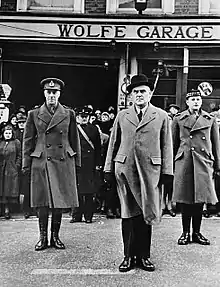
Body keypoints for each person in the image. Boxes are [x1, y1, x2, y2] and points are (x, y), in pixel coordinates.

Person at [104, 74, 173, 272]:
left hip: (150, 172)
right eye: (136, 92)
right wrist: (109, 168)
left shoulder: (161, 116)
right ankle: (128, 256)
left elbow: (166, 145)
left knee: (146, 215)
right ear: (131, 96)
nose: (139, 95)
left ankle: (144, 256)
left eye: (143, 91)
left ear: (150, 93)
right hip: (125, 171)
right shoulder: (122, 115)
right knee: (127, 215)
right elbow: (113, 143)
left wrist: (167, 172)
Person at [22, 77, 81, 251]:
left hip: (62, 160)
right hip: (42, 161)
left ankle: (55, 237)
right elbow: (27, 140)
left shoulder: (69, 113)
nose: (52, 96)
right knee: (42, 201)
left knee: (59, 200)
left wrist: (76, 161)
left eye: (55, 92)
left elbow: (74, 138)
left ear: (60, 94)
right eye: (49, 92)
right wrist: (26, 163)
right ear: (44, 93)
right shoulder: (33, 114)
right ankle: (43, 238)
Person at [172, 89, 220, 246]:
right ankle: (185, 232)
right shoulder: (179, 119)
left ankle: (197, 232)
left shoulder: (210, 119)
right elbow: (172, 144)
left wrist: (217, 164)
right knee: (186, 199)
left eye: (198, 99)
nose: (196, 102)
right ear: (187, 102)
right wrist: (171, 164)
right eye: (192, 99)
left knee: (200, 199)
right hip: (184, 161)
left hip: (203, 161)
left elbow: (215, 144)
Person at [70, 106, 102, 223]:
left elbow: (98, 148)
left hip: (90, 164)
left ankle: (88, 216)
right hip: (76, 163)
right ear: (77, 117)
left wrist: (98, 164)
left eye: (85, 117)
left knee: (89, 192)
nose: (83, 119)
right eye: (81, 116)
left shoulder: (93, 129)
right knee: (76, 190)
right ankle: (76, 215)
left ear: (88, 117)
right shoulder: (73, 128)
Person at [162, 103, 180, 217]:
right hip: (164, 152)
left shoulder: (178, 120)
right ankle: (163, 205)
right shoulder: (165, 118)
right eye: (172, 108)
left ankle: (169, 204)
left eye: (176, 109)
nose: (174, 110)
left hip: (174, 153)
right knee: (163, 181)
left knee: (171, 182)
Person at [0, 124, 21, 219]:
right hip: (2, 168)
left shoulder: (16, 142)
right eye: (6, 133)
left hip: (11, 168)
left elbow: (19, 155)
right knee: (2, 188)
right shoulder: (1, 142)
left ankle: (8, 210)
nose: (7, 135)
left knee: (9, 188)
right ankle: (2, 209)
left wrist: (16, 166)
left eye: (9, 133)